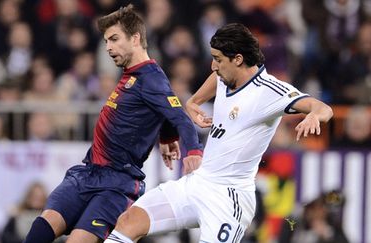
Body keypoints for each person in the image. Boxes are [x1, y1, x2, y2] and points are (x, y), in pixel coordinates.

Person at [104, 23, 333, 243]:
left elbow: (324, 108)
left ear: (238, 59)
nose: (213, 66)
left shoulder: (270, 91)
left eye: (218, 60)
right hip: (197, 183)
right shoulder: (226, 75)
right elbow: (216, 79)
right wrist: (194, 101)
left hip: (229, 198)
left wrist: (314, 115)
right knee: (128, 222)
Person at [23, 4, 203, 243]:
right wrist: (167, 136)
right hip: (87, 172)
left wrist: (193, 151)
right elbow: (160, 111)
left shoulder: (151, 78)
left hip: (117, 184)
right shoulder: (132, 74)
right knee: (40, 230)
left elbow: (180, 116)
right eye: (106, 41)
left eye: (114, 39)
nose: (108, 47)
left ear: (136, 38)